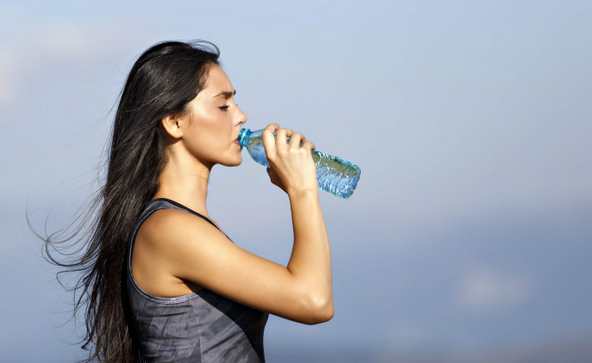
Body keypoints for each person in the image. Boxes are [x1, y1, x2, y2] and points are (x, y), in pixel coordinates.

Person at [42, 41, 333, 363]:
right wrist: (302, 191)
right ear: (174, 122)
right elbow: (313, 301)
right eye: (223, 106)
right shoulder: (171, 229)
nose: (241, 116)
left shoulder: (183, 225)